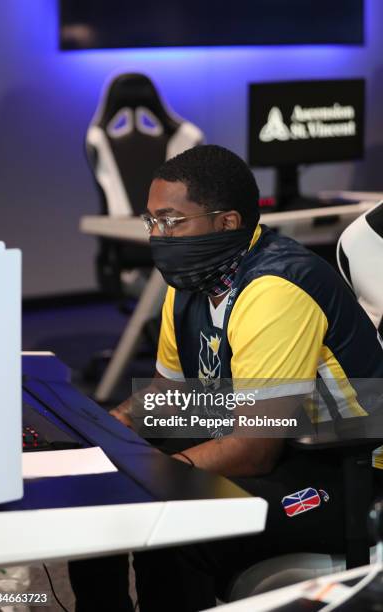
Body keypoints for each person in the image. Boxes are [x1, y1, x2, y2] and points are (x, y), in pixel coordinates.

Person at [69, 145, 383, 611]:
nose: (158, 236)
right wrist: (101, 438)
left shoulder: (275, 289)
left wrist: (150, 475)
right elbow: (168, 396)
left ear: (227, 223)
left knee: (177, 527)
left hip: (350, 474)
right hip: (278, 446)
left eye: (172, 221)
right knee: (95, 493)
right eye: (152, 222)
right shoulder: (190, 286)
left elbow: (254, 449)